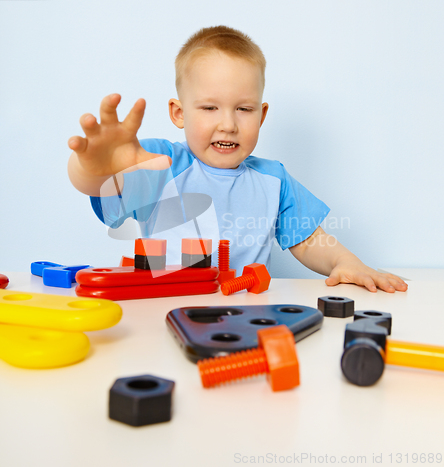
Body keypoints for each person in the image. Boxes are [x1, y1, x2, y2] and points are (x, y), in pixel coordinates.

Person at [68, 25, 407, 293]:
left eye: (243, 109)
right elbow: (104, 184)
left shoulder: (273, 180)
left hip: (246, 313)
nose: (228, 124)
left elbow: (308, 239)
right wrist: (94, 170)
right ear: (179, 113)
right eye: (210, 108)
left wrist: (346, 262)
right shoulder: (162, 163)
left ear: (261, 115)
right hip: (163, 308)